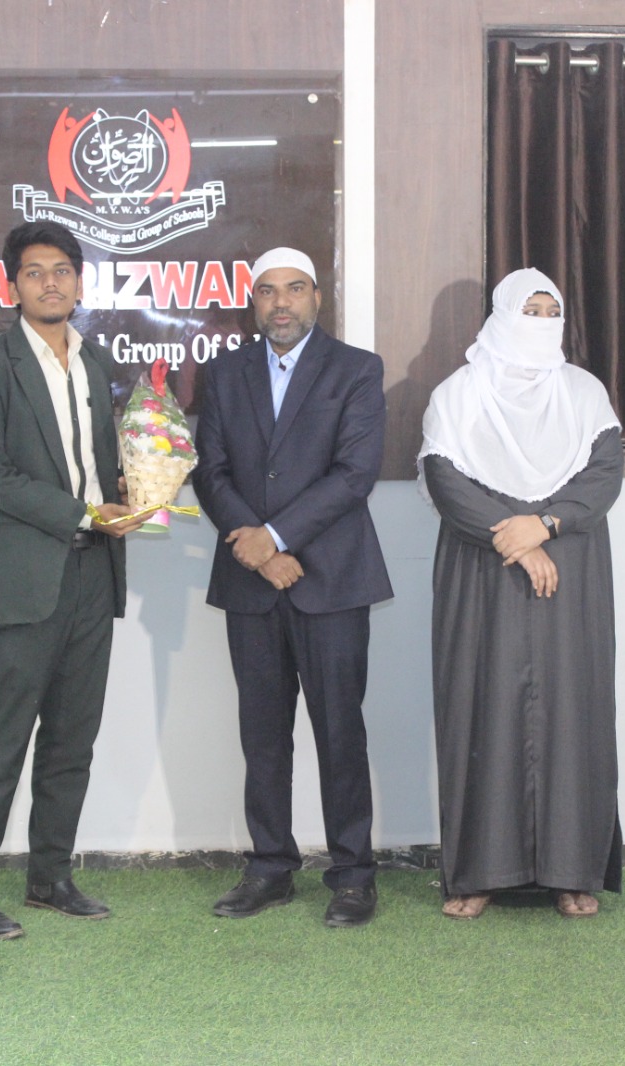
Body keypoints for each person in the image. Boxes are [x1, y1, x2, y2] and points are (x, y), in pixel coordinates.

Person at [0, 220, 149, 939]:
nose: (50, 282)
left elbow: (98, 466)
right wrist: (85, 512)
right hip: (26, 577)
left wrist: (134, 489)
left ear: (80, 281)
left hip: (94, 572)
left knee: (71, 739)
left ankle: (49, 876)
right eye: (34, 272)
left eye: (62, 270)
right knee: (2, 739)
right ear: (12, 286)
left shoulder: (95, 362)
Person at [192, 247, 394, 928]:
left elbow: (355, 473)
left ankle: (353, 875)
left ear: (317, 298)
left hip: (331, 580)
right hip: (251, 584)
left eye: (295, 289)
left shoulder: (357, 370)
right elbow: (210, 471)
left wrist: (274, 539)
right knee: (263, 736)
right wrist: (257, 549)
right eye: (267, 291)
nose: (281, 303)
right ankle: (270, 868)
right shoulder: (225, 373)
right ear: (253, 302)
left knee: (340, 733)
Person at [417, 268, 624, 920]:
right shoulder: (458, 394)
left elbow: (604, 475)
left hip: (570, 568)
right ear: (501, 314)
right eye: (527, 310)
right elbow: (445, 480)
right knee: (480, 707)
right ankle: (478, 872)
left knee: (573, 711)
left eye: (548, 311)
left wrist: (547, 525)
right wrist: (518, 539)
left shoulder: (584, 393)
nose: (539, 322)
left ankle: (573, 872)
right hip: (483, 569)